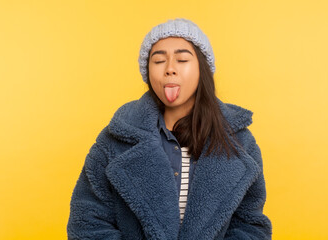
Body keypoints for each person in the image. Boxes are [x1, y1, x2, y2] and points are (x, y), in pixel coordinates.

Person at [67, 18, 272, 240]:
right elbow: (87, 222)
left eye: (182, 59)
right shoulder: (115, 139)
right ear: (148, 73)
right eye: (158, 61)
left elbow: (250, 224)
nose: (170, 69)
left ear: (202, 69)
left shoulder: (239, 142)